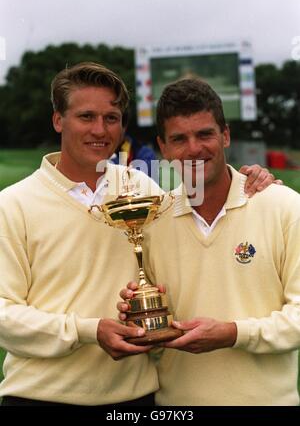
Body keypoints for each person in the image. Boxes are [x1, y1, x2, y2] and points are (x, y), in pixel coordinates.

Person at [0, 62, 277, 407]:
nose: (100, 130)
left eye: (111, 118)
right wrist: (88, 331)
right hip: (39, 396)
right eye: (86, 117)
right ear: (59, 120)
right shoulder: (13, 204)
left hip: (136, 397)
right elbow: (4, 315)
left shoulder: (140, 186)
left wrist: (254, 180)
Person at [118, 78, 300, 406]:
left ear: (225, 135)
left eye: (204, 134)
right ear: (162, 147)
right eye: (179, 139)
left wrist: (233, 334)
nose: (193, 149)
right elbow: (155, 338)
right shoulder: (153, 221)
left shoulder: (284, 206)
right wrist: (138, 321)